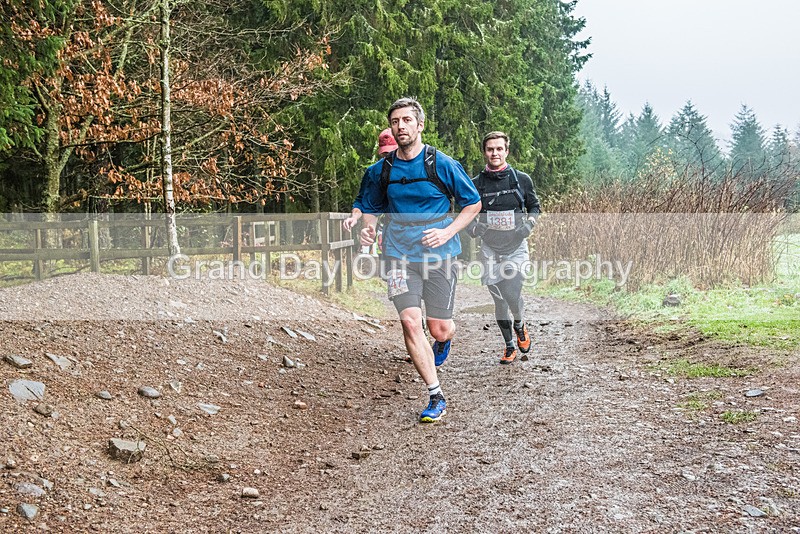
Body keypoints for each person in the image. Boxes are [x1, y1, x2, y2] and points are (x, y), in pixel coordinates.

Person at [357, 97, 481, 423]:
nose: (400, 126)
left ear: (419, 124)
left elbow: (472, 204)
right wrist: (368, 229)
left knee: (438, 328)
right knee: (411, 322)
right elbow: (370, 206)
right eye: (395, 121)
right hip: (398, 254)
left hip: (440, 254)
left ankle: (444, 339)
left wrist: (447, 232)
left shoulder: (442, 164)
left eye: (406, 120)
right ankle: (435, 395)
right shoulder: (381, 171)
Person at [467, 131, 541, 364]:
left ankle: (519, 323)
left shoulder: (521, 180)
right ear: (484, 152)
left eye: (499, 149)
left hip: (516, 246)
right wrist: (473, 229)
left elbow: (535, 207)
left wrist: (528, 225)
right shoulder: (476, 184)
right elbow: (466, 215)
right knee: (499, 299)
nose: (495, 153)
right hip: (490, 249)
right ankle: (509, 346)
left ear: (506, 151)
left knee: (512, 292)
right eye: (490, 149)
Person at [342, 128, 399, 232]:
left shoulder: (416, 168)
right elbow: (361, 201)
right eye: (385, 154)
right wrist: (354, 218)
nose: (389, 157)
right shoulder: (374, 171)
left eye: (392, 152)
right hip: (390, 230)